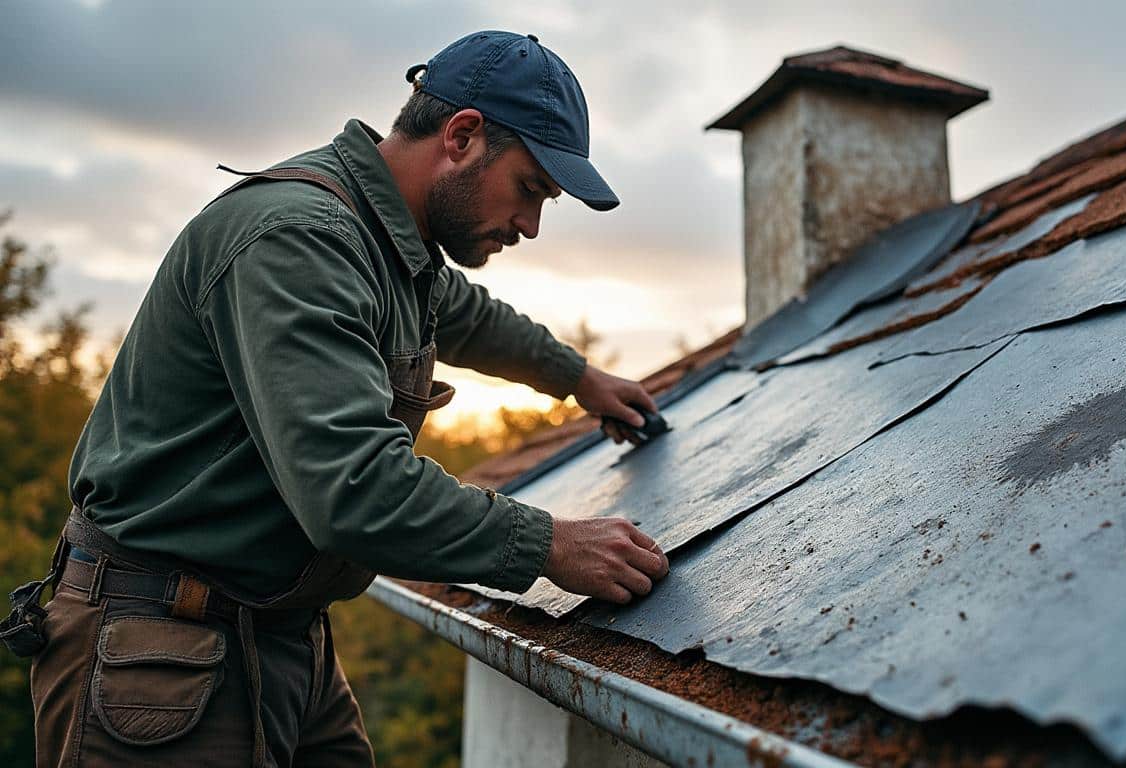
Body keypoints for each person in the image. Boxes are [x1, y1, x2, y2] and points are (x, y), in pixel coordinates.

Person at [13, 30, 669, 767]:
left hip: (281, 637)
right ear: (461, 137)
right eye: (530, 189)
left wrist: (581, 380)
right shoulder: (301, 239)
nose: (531, 225)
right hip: (159, 651)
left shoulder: (387, 242)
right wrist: (549, 545)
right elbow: (356, 490)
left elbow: (467, 316)